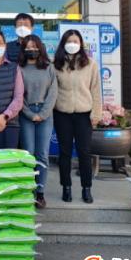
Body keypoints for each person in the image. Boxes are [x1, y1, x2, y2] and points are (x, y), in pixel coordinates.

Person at [53, 29, 102, 204]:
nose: (72, 44)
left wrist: (96, 113)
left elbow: (95, 90)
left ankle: (86, 188)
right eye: (69, 41)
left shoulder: (90, 64)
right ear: (63, 44)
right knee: (64, 152)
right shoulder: (55, 64)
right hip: (62, 113)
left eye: (75, 41)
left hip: (83, 114)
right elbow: (52, 90)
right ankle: (66, 187)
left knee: (84, 152)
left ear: (81, 44)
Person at [18, 35, 57, 209]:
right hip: (25, 113)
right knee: (28, 153)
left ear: (40, 48)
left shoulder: (49, 67)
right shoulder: (19, 68)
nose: (31, 50)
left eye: (34, 46)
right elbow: (18, 94)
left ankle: (40, 192)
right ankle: (28, 190)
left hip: (45, 114)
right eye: (28, 47)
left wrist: (43, 113)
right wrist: (29, 113)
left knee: (42, 154)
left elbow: (53, 93)